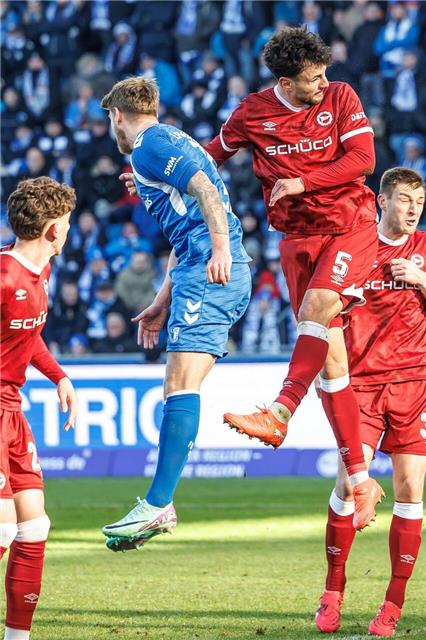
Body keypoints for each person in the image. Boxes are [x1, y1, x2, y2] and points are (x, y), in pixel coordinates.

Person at [206, 27, 385, 531]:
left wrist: (303, 180)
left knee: (314, 312)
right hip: (296, 239)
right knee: (331, 365)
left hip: (349, 225)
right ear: (286, 81)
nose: (323, 83)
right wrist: (154, 173)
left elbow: (363, 161)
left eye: (324, 71)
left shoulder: (341, 96)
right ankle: (361, 477)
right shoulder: (253, 112)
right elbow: (210, 156)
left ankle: (280, 414)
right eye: (312, 78)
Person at [99, 77, 252, 551]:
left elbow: (204, 187)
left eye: (110, 120)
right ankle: (158, 503)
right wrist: (164, 300)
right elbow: (183, 228)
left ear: (118, 115)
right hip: (197, 270)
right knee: (176, 384)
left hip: (212, 269)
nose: (112, 129)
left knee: (180, 385)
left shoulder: (147, 145)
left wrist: (221, 248)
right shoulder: (168, 144)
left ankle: (159, 504)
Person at [315, 168, 426, 637]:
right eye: (403, 200)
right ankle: (332, 591)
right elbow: (318, 307)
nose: (413, 208)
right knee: (347, 484)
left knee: (410, 490)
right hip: (361, 384)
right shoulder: (353, 247)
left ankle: (392, 605)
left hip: (417, 380)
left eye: (418, 200)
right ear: (382, 201)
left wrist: (423, 280)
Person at [1, 177, 79, 640]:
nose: (69, 230)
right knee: (3, 530)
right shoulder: (5, 274)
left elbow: (27, 336)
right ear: (52, 230)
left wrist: (59, 376)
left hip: (13, 412)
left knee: (34, 528)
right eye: (66, 223)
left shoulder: (39, 274)